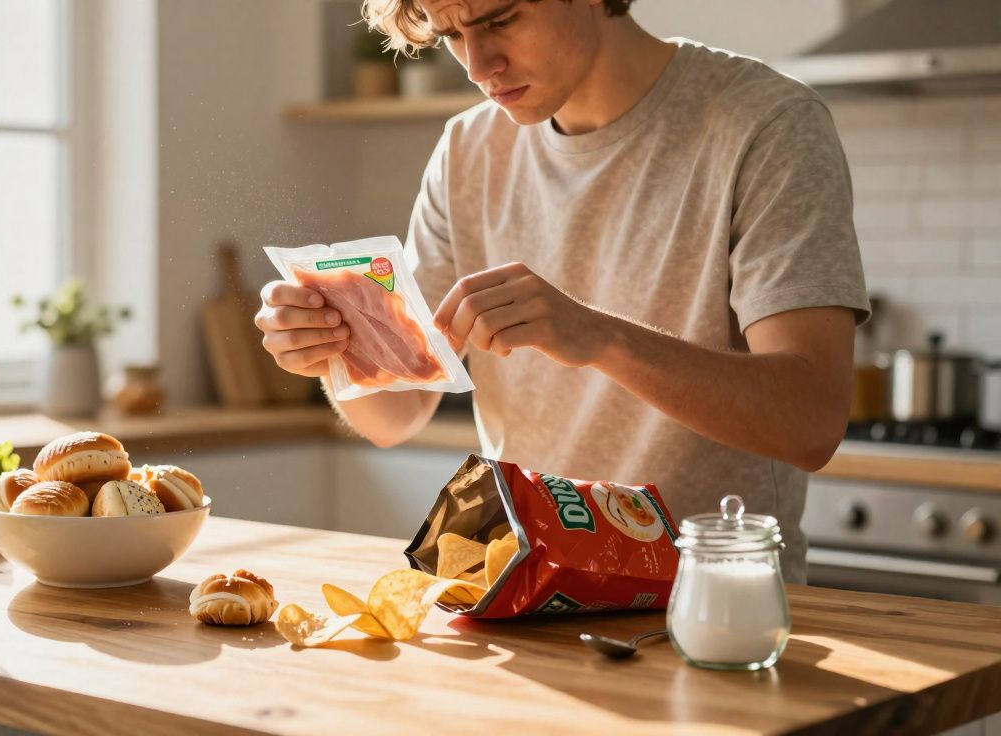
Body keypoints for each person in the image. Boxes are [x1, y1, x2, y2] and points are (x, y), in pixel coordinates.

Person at [254, 0, 869, 582]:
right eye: (452, 35)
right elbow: (396, 413)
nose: (477, 66)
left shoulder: (767, 124)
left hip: (713, 603)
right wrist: (332, 349)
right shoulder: (467, 150)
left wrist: (601, 338)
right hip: (526, 589)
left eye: (500, 19)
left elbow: (811, 423)